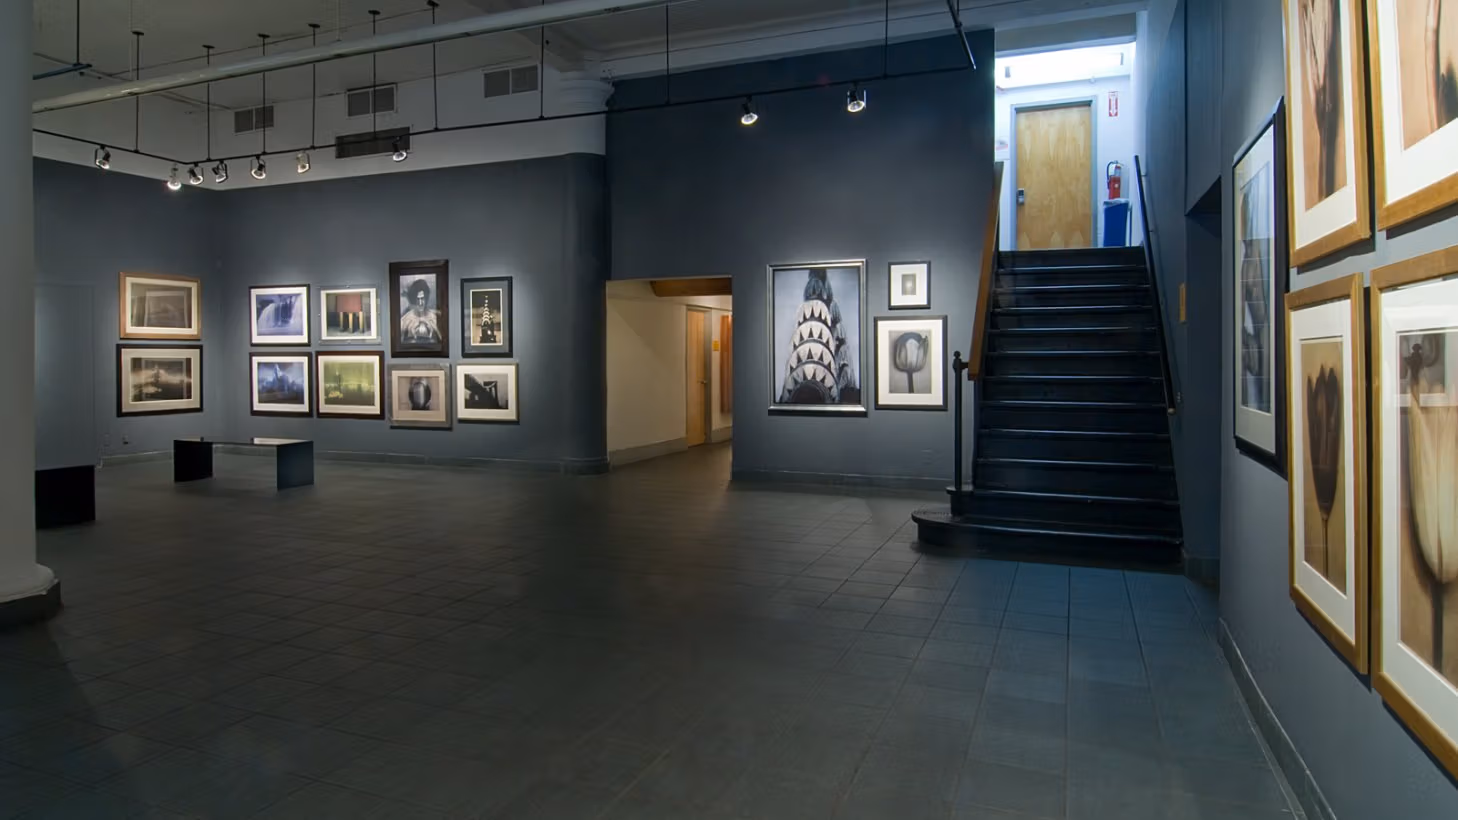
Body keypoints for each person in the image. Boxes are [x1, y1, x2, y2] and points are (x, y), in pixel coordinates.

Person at [399, 279, 441, 343]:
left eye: (422, 298)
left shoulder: (434, 318)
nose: (420, 303)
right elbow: (398, 343)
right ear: (414, 299)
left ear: (426, 298)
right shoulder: (405, 320)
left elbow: (442, 341)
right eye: (418, 299)